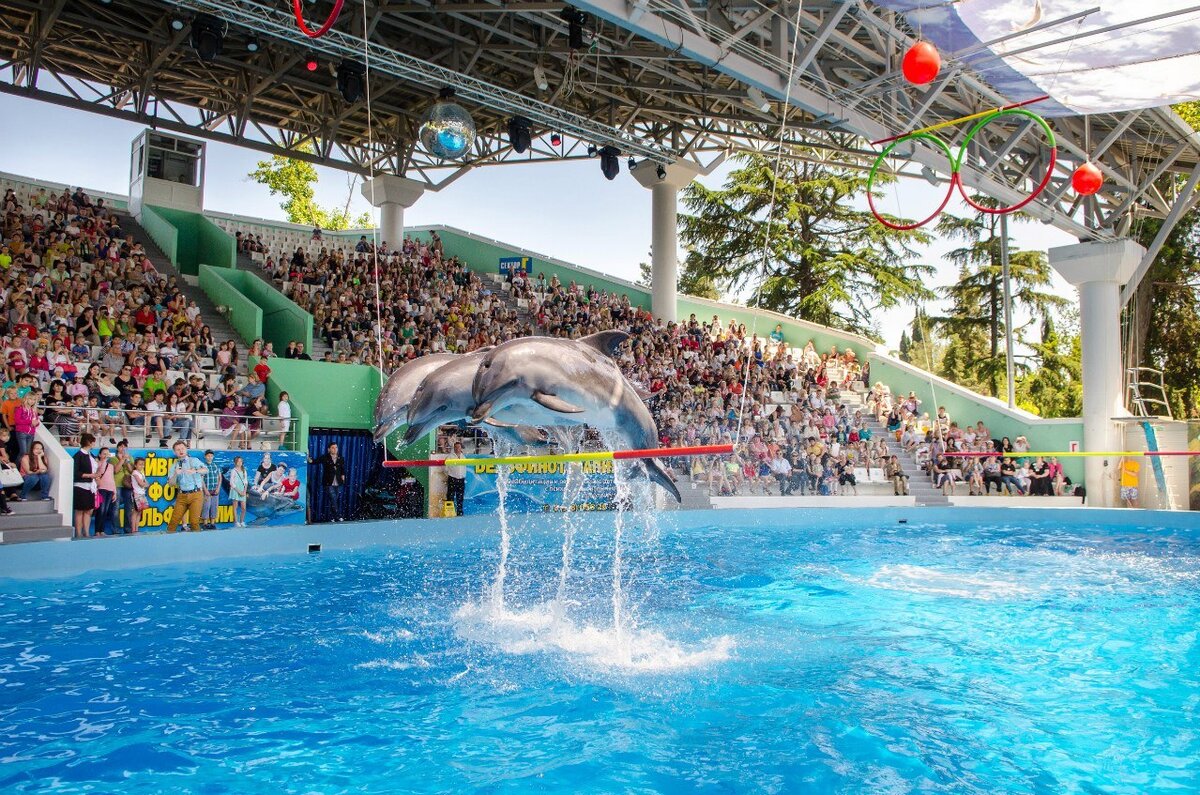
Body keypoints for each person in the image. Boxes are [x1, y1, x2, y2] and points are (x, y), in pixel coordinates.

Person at [167, 440, 205, 532]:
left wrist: (195, 471)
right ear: (174, 452)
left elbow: (205, 470)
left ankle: (197, 544)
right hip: (182, 496)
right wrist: (176, 474)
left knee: (194, 522)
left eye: (182, 448)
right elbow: (170, 484)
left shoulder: (194, 460)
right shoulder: (174, 466)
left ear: (186, 449)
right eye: (178, 449)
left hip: (196, 494)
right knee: (173, 522)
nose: (181, 451)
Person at [309, 442, 347, 522]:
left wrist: (343, 475)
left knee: (334, 501)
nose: (335, 449)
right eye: (333, 447)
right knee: (333, 499)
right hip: (328, 482)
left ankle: (332, 517)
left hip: (338, 482)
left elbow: (342, 469)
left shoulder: (341, 458)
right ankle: (338, 516)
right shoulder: (325, 457)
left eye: (336, 447)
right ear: (329, 449)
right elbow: (314, 461)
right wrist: (309, 458)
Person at [73, 432, 98, 539]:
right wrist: (90, 475)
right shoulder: (78, 456)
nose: (94, 444)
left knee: (88, 510)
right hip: (81, 485)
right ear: (88, 442)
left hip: (90, 486)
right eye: (92, 442)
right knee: (80, 510)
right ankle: (78, 533)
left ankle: (86, 532)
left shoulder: (91, 455)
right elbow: (76, 472)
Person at [93, 447, 117, 536]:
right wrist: (103, 461)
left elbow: (112, 478)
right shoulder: (97, 464)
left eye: (107, 453)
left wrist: (115, 492)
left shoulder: (111, 466)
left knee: (106, 510)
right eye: (104, 453)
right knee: (101, 510)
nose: (106, 455)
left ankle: (102, 530)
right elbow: (100, 472)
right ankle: (97, 531)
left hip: (110, 489)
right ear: (99, 455)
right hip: (101, 488)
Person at [200, 449, 222, 530]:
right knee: (206, 506)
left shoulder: (216, 466)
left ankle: (212, 523)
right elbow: (201, 479)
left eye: (211, 456)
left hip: (215, 490)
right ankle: (205, 523)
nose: (210, 457)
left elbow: (220, 478)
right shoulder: (203, 466)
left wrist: (218, 488)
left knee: (214, 506)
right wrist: (205, 490)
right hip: (207, 490)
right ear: (205, 456)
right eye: (208, 456)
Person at [445, 441, 466, 516]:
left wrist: (463, 476)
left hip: (461, 479)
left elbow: (464, 468)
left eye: (459, 447)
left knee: (460, 496)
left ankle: (459, 511)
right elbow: (446, 468)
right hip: (452, 478)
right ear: (454, 448)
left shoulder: (463, 457)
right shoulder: (450, 457)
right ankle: (449, 512)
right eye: (456, 447)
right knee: (450, 496)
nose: (457, 449)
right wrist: (451, 474)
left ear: (461, 448)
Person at [129, 457, 149, 534]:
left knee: (139, 512)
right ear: (135, 465)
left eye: (143, 464)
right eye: (140, 464)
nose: (142, 466)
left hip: (142, 494)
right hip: (136, 494)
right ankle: (133, 529)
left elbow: (147, 483)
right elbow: (141, 484)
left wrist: (144, 484)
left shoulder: (141, 473)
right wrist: (144, 484)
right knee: (135, 512)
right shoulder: (135, 473)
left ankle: (136, 529)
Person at [229, 456, 248, 527]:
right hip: (235, 490)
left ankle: (242, 521)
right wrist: (238, 491)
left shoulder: (244, 471)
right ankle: (236, 522)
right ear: (235, 462)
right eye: (238, 461)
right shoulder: (233, 471)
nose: (240, 463)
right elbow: (231, 482)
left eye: (241, 461)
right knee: (235, 507)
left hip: (243, 490)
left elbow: (246, 481)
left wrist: (244, 491)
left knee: (244, 508)